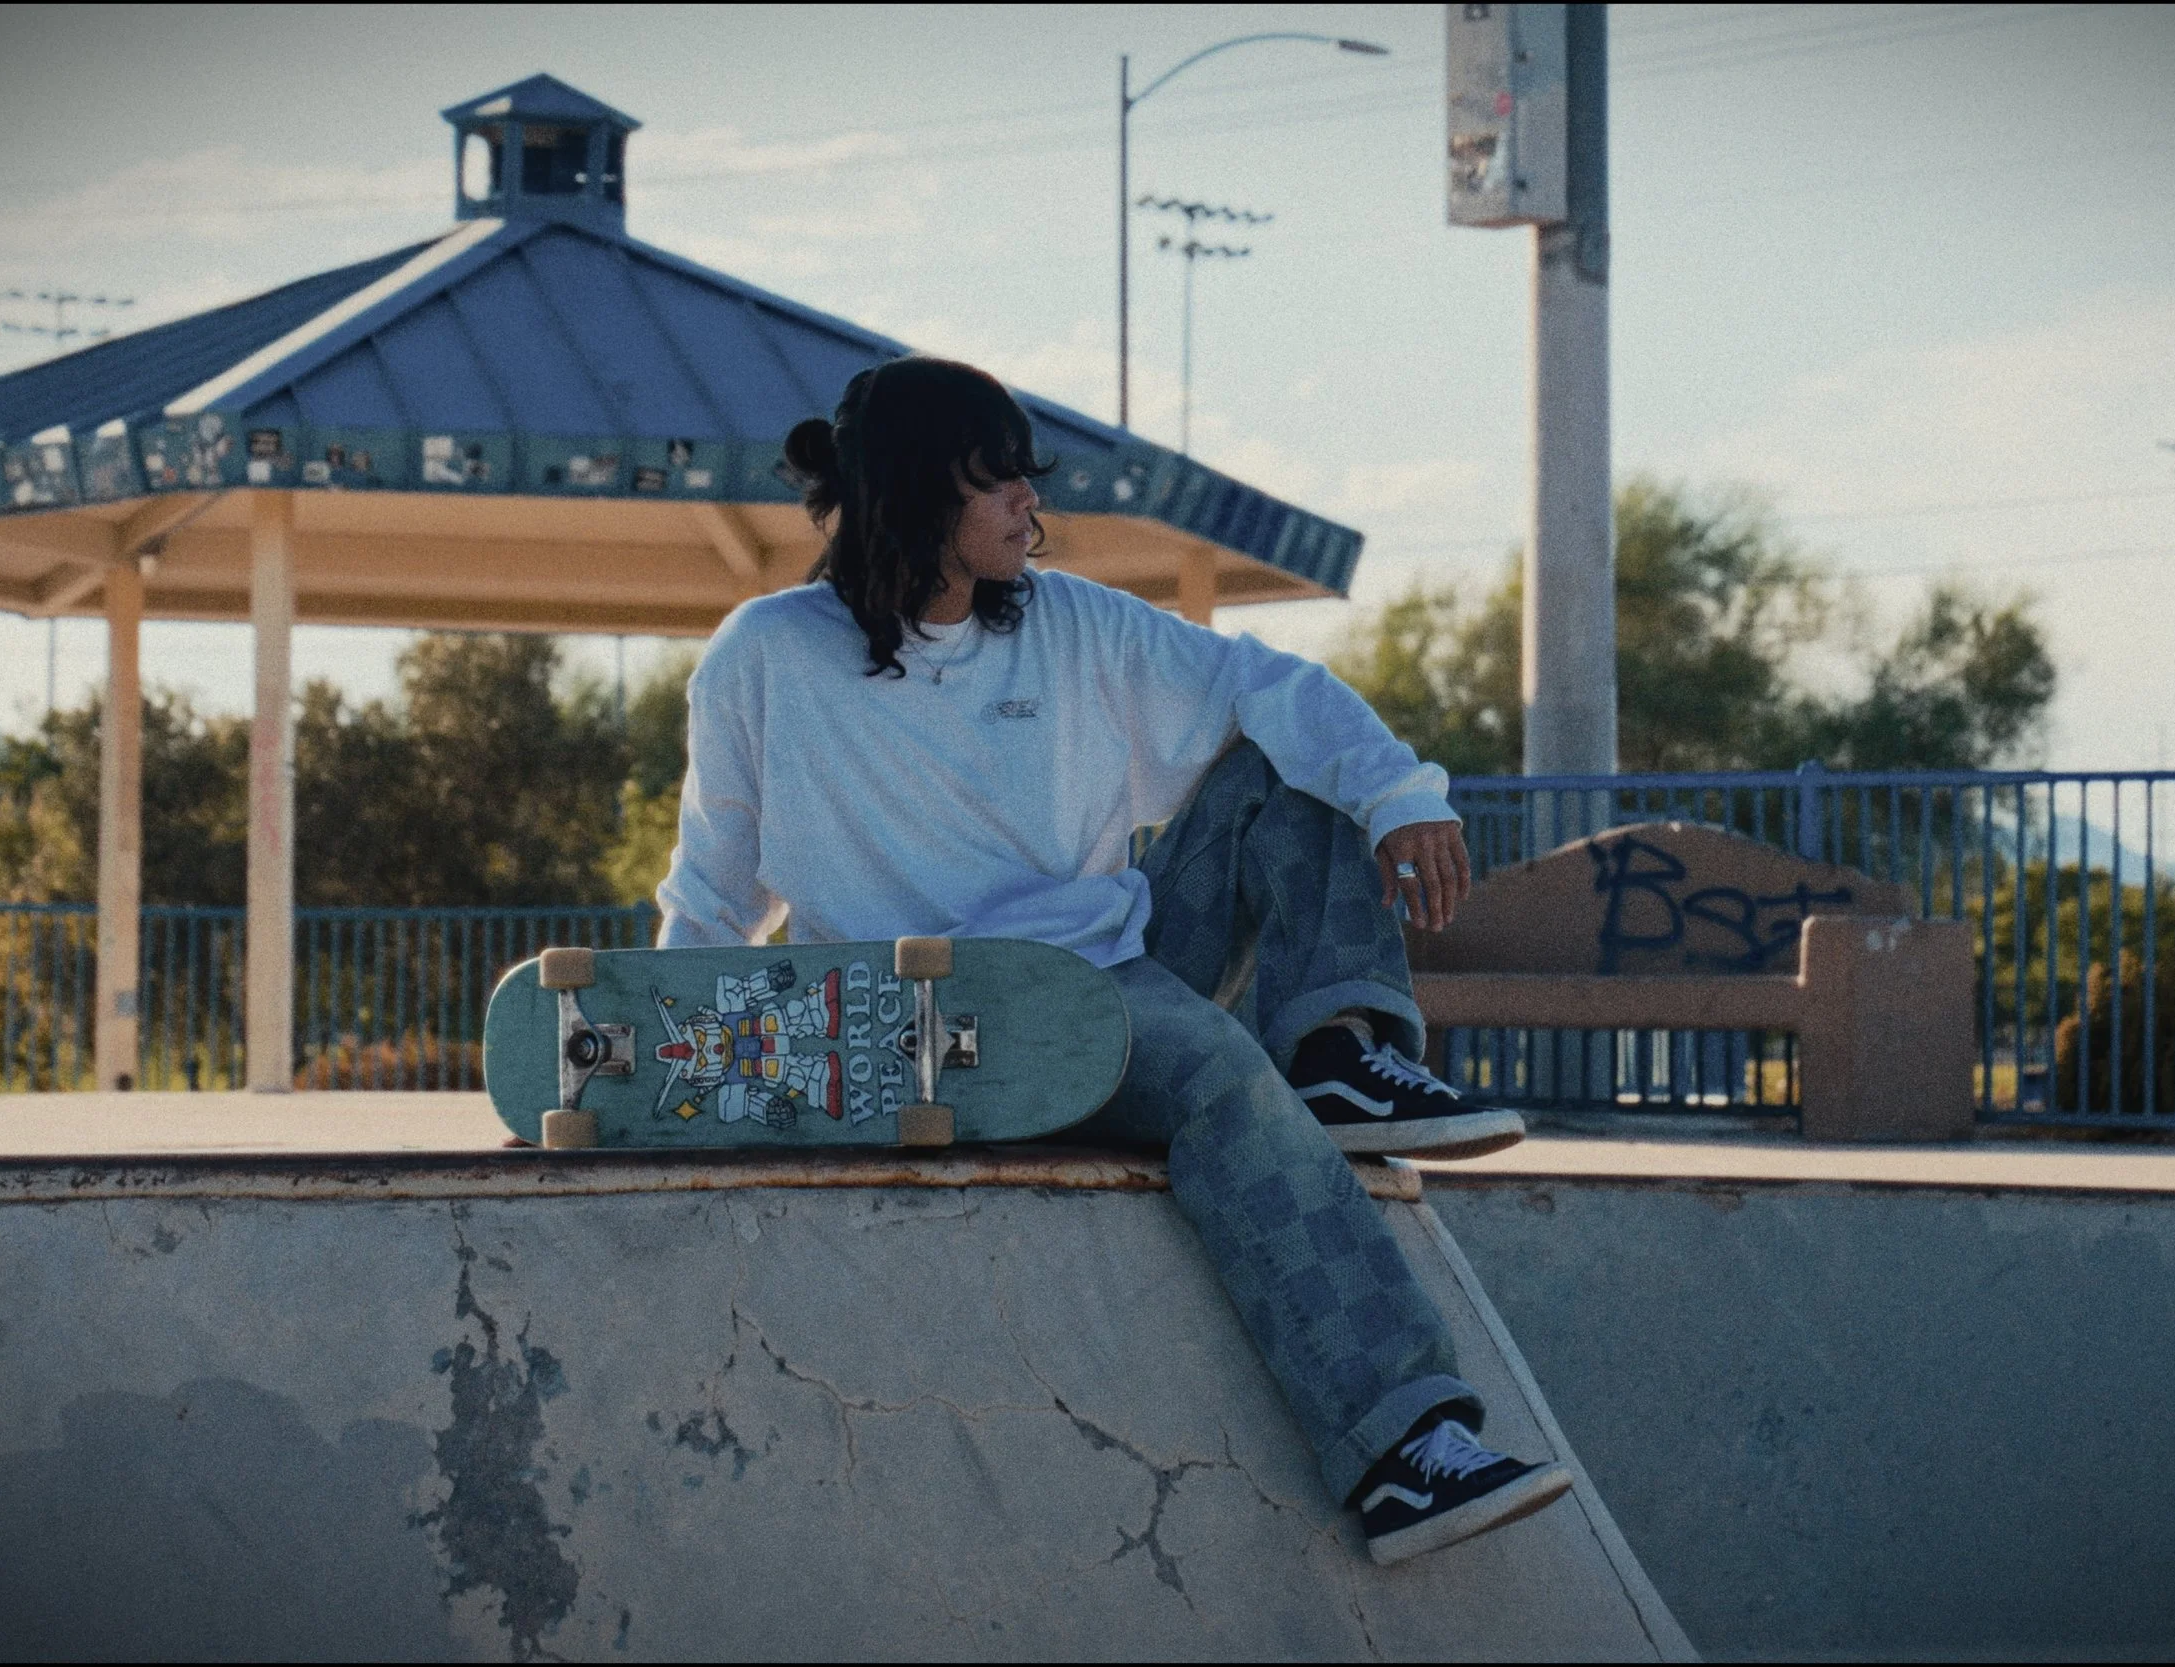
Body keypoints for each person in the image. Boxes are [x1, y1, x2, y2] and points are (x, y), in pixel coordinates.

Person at [657, 355, 1570, 1566]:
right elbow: (717, 880)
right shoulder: (766, 653)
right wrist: (665, 1066)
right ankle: (1401, 1450)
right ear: (925, 496)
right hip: (918, 1015)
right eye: (1005, 487)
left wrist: (1403, 794)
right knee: (1216, 1075)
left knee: (1287, 762)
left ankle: (1342, 1056)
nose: (1034, 509)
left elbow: (1265, 682)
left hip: (1099, 971)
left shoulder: (1067, 619)